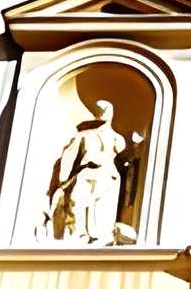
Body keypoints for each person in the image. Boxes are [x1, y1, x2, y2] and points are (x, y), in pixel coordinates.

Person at [43, 99, 140, 243]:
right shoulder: (83, 136)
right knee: (77, 203)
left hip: (108, 178)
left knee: (101, 211)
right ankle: (78, 237)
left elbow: (128, 158)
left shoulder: (118, 139)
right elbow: (69, 159)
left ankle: (100, 238)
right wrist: (63, 182)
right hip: (86, 175)